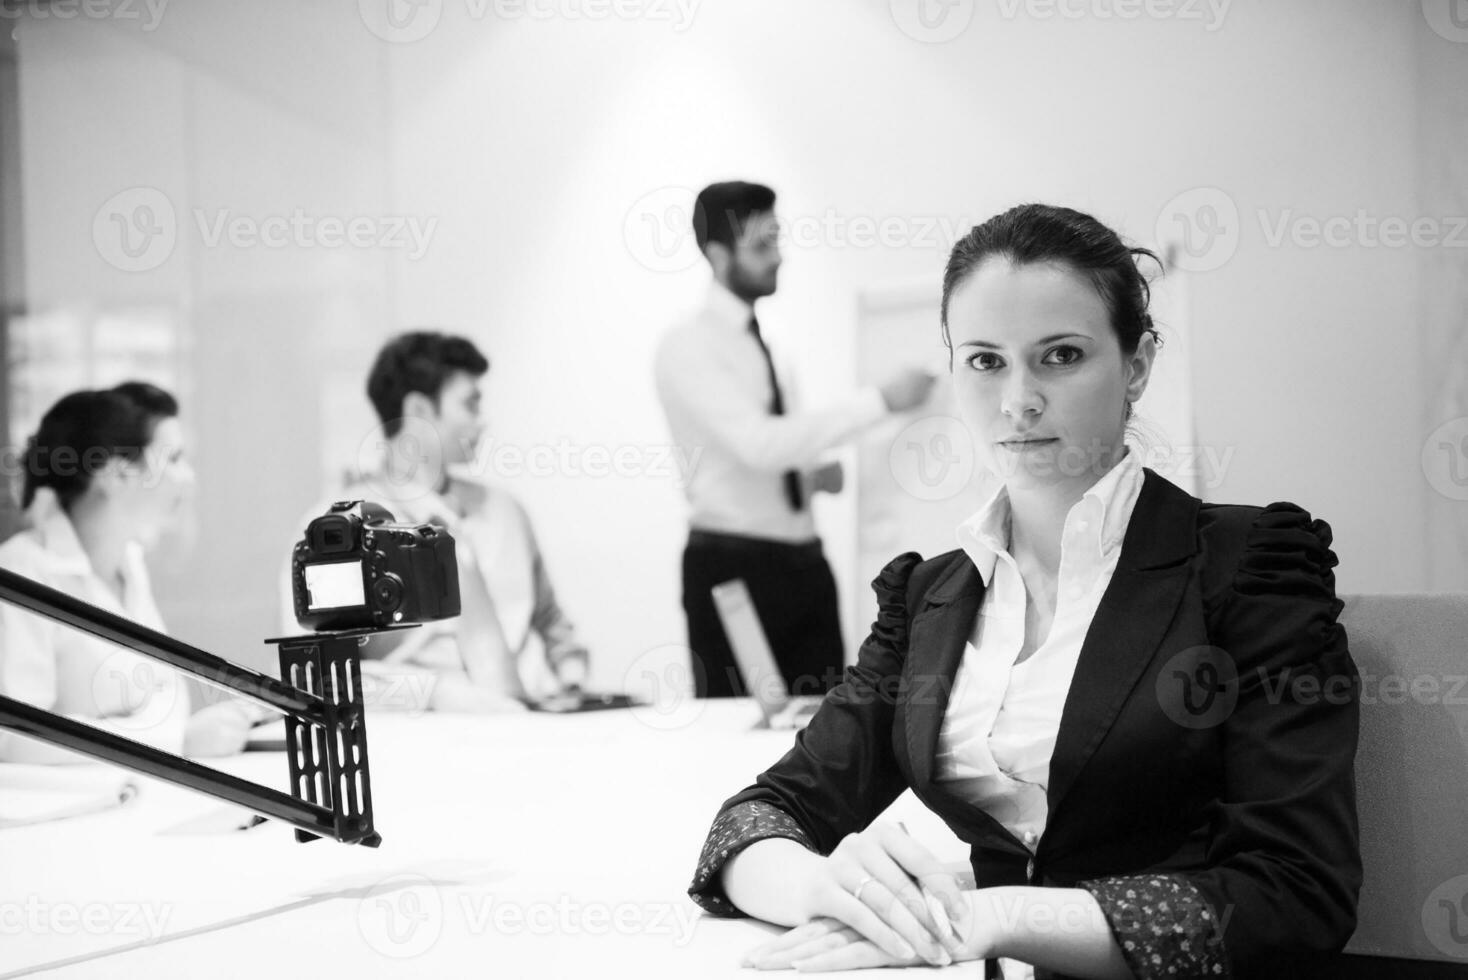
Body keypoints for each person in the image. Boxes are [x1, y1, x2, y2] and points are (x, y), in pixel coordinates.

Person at [686, 204, 1361, 978]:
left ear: (1136, 365)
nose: (1018, 401)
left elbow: (1298, 893)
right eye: (985, 361)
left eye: (1061, 355)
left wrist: (996, 916)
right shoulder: (929, 597)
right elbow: (753, 819)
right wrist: (829, 887)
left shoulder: (1248, 566)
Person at [655, 180, 937, 699]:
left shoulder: (773, 345)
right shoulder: (686, 347)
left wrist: (809, 473)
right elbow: (760, 444)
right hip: (732, 568)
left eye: (778, 239)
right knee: (736, 731)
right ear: (718, 256)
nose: (779, 257)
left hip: (804, 564)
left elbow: (775, 450)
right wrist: (881, 400)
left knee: (825, 726)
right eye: (762, 246)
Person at [282, 331, 590, 714]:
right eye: (470, 404)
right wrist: (433, 695)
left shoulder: (506, 510)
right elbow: (319, 676)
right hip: (426, 736)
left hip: (538, 720)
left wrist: (572, 682)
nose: (482, 421)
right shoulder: (333, 531)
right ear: (420, 409)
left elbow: (550, 620)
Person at [0, 383, 255, 764]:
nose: (188, 477)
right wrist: (172, 742)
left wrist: (167, 735)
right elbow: (15, 743)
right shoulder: (20, 572)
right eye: (174, 459)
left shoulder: (129, 563)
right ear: (115, 474)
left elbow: (168, 695)